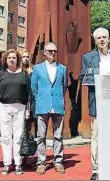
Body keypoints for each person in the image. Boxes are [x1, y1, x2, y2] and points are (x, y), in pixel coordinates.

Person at [79, 28, 110, 181]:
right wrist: (103, 80)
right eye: (98, 38)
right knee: (97, 137)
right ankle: (96, 170)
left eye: (104, 37)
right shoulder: (88, 57)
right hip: (98, 103)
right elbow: (83, 78)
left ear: (109, 39)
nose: (102, 40)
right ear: (95, 41)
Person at [31, 42, 68, 175]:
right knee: (41, 136)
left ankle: (58, 161)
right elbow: (34, 87)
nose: (53, 53)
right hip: (43, 105)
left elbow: (64, 86)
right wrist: (41, 98)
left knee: (58, 136)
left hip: (57, 105)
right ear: (45, 53)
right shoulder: (37, 68)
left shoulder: (63, 68)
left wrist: (57, 98)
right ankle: (41, 162)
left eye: (55, 51)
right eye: (50, 51)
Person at [0, 49, 30, 175]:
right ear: (5, 60)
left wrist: (28, 110)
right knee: (6, 137)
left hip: (20, 108)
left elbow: (29, 94)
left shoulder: (24, 74)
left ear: (17, 59)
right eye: (9, 58)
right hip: (4, 107)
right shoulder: (0, 74)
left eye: (14, 57)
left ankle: (18, 164)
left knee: (18, 136)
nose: (12, 60)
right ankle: (7, 164)